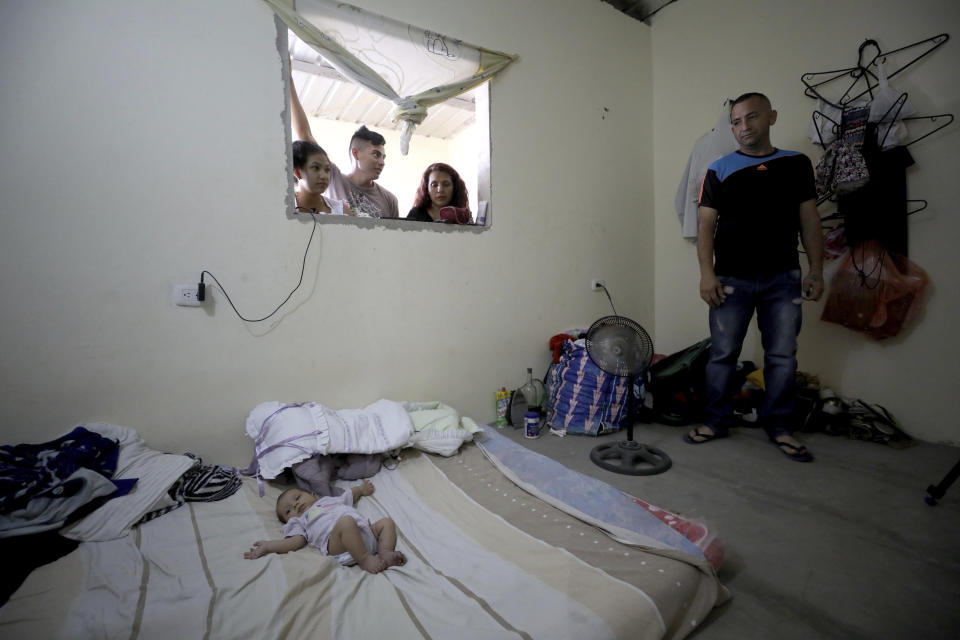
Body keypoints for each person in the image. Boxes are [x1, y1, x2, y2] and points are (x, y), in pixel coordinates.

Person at [686, 92, 824, 462]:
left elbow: (810, 220)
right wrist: (706, 275)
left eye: (751, 117)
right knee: (723, 354)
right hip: (731, 279)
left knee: (782, 356)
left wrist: (816, 270)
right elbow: (704, 226)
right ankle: (715, 421)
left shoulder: (796, 164)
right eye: (736, 121)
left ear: (771, 117)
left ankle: (779, 426)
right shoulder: (718, 168)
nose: (743, 127)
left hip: (784, 278)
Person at [290, 69, 399, 219]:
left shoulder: (389, 200)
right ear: (356, 153)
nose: (381, 162)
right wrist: (288, 79)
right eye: (376, 154)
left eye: (384, 157)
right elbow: (304, 134)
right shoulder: (335, 179)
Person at [243, 479, 407, 574]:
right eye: (288, 511)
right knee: (346, 522)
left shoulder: (328, 501)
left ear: (314, 495)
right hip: (339, 545)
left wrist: (361, 489)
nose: (296, 505)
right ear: (288, 521)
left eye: (297, 497)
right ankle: (364, 560)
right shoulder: (300, 521)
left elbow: (348, 495)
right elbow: (295, 542)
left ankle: (385, 553)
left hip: (365, 533)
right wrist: (269, 546)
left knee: (386, 522)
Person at [292, 140, 353, 215]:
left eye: (327, 169)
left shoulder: (342, 211)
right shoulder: (286, 209)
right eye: (316, 168)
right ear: (298, 173)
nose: (324, 176)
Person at [406, 162, 472, 222]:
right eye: (434, 185)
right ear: (426, 188)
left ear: (455, 188)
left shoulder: (463, 216)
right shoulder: (415, 215)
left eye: (446, 184)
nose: (440, 190)